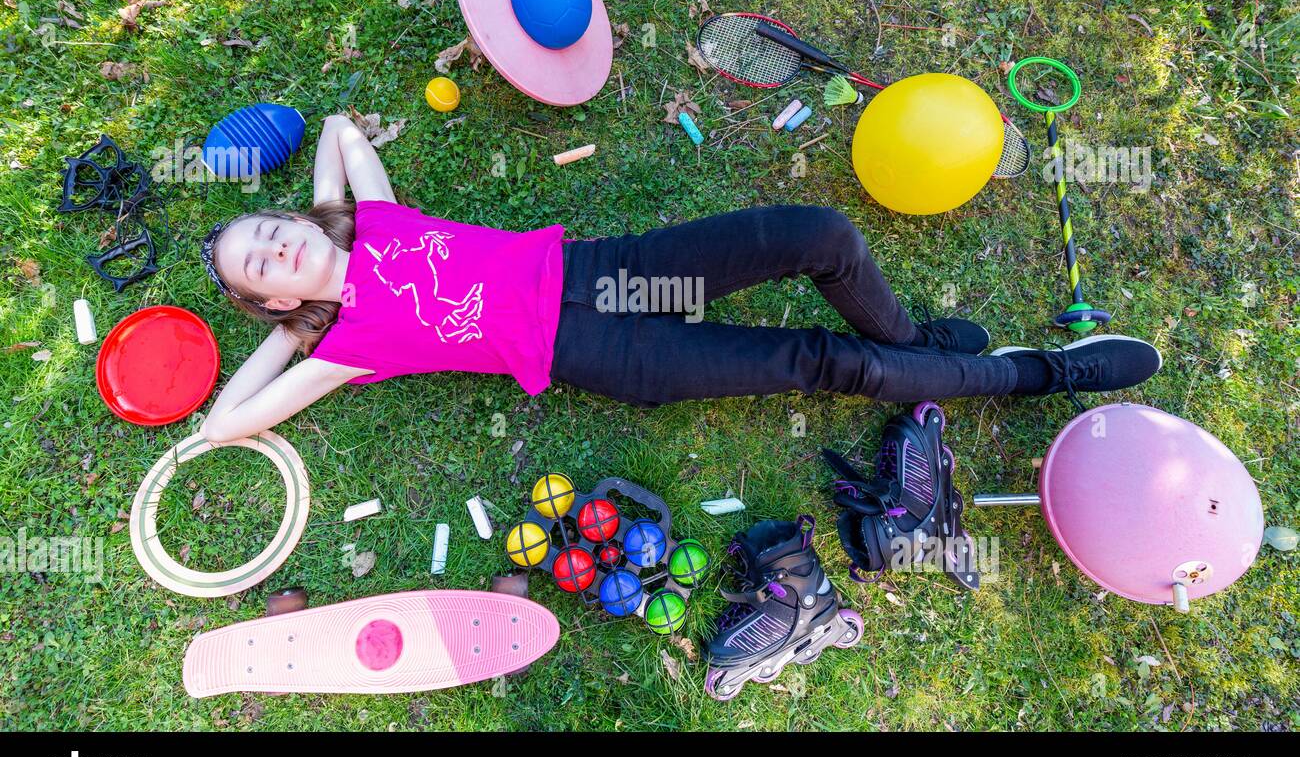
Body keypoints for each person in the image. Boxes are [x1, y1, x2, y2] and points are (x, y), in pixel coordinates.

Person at [198, 114, 1161, 443]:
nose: (275, 247)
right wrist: (292, 329)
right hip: (609, 347)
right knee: (826, 363)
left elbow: (335, 128)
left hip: (613, 276)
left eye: (271, 230)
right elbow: (224, 422)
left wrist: (318, 232)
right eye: (259, 264)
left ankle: (915, 346)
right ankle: (1043, 374)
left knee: (820, 232)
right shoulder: (347, 348)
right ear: (273, 301)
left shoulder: (379, 219)